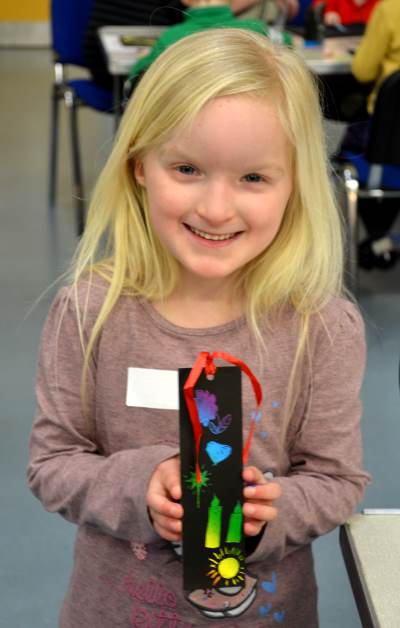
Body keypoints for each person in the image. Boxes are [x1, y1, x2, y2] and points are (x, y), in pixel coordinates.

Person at [27, 28, 370, 627]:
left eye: (253, 178)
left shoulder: (323, 327)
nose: (216, 208)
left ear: (295, 187)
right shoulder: (90, 312)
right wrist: (143, 484)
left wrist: (271, 509)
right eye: (187, 168)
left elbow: (337, 478)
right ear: (139, 165)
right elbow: (53, 463)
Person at [338, 0, 400, 266]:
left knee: (345, 140)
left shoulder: (390, 9)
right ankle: (379, 239)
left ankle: (377, 238)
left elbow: (362, 70)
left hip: (386, 150)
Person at [126, 0, 292, 91]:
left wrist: (143, 59)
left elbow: (138, 78)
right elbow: (286, 42)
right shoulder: (256, 29)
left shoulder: (171, 37)